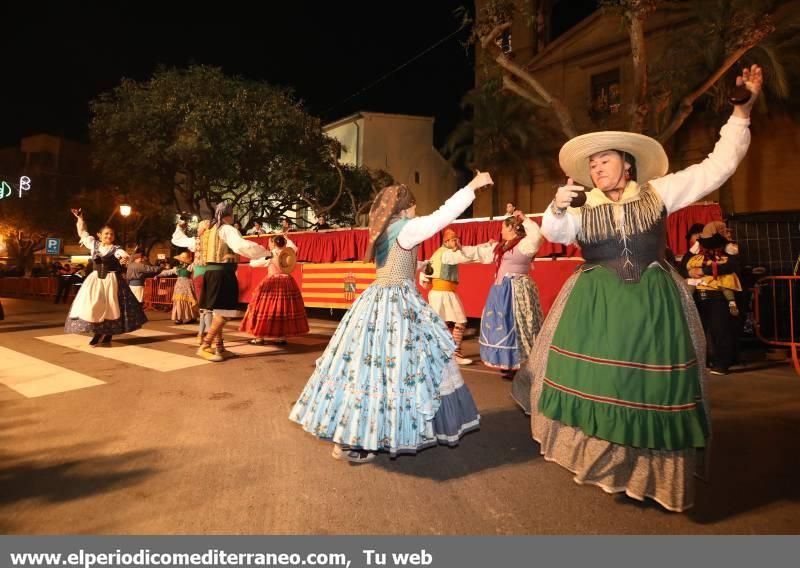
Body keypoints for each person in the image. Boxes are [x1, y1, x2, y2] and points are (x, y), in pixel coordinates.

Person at [514, 65, 762, 512]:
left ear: (626, 163)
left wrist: (741, 113)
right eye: (591, 164)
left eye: (603, 160)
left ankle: (648, 477)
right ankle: (604, 467)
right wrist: (555, 203)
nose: (596, 168)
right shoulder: (581, 203)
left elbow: (718, 167)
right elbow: (557, 231)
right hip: (596, 305)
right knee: (601, 384)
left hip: (653, 303)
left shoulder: (659, 192)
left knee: (647, 391)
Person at [289, 171, 493, 463]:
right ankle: (363, 440)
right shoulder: (406, 228)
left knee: (364, 372)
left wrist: (418, 265)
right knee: (399, 370)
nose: (416, 211)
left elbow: (398, 261)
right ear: (406, 207)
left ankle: (349, 436)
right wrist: (472, 187)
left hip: (376, 299)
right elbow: (441, 217)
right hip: (397, 303)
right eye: (413, 206)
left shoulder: (385, 230)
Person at [172, 202, 267, 362]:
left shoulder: (206, 233)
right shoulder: (227, 229)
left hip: (209, 274)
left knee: (217, 312)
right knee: (225, 312)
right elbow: (241, 246)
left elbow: (179, 240)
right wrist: (265, 252)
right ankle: (206, 345)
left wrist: (179, 227)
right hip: (223, 274)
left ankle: (219, 347)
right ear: (229, 215)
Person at [475, 210, 544, 380]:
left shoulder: (524, 245)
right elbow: (478, 253)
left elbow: (537, 236)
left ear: (512, 229)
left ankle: (521, 362)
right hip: (500, 290)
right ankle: (507, 361)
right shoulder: (501, 247)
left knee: (518, 325)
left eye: (503, 228)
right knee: (502, 325)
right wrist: (459, 250)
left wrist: (524, 219)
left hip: (516, 290)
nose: (500, 231)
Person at [64, 208, 147, 346]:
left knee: (110, 307)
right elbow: (83, 233)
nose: (109, 236)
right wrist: (80, 218)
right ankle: (97, 332)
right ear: (99, 235)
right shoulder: (93, 244)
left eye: (111, 234)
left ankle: (107, 334)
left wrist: (124, 260)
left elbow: (123, 256)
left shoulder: (116, 249)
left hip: (111, 280)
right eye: (106, 234)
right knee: (94, 305)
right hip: (95, 280)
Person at [686, 221, 743, 375]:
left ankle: (722, 363)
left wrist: (705, 270)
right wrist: (690, 272)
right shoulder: (698, 248)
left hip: (718, 294)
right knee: (702, 330)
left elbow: (732, 266)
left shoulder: (729, 247)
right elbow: (685, 264)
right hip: (700, 295)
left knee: (720, 329)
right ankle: (705, 361)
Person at [419, 229, 479, 365]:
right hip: (442, 293)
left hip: (444, 292)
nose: (456, 242)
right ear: (446, 241)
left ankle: (445, 352)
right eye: (453, 240)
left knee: (442, 323)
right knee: (458, 321)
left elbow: (427, 274)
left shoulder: (440, 253)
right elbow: (467, 257)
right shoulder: (447, 254)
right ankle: (452, 353)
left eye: (457, 239)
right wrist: (486, 248)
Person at [240, 234, 308, 345]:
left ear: (274, 243)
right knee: (283, 309)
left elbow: (253, 264)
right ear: (284, 243)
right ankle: (281, 337)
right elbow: (295, 247)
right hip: (287, 282)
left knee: (262, 308)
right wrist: (287, 239)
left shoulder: (270, 255)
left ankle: (259, 337)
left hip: (272, 281)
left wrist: (255, 255)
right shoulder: (290, 252)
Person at [158, 251, 200, 325]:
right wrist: (159, 275)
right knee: (178, 300)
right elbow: (168, 272)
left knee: (188, 300)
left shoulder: (190, 266)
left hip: (187, 285)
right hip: (179, 285)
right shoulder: (177, 268)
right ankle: (179, 318)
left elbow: (196, 264)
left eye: (181, 259)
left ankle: (191, 317)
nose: (179, 261)